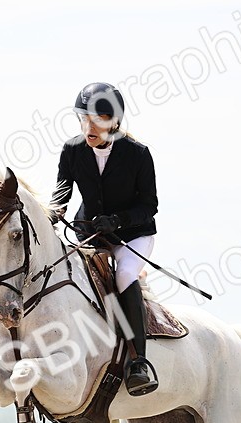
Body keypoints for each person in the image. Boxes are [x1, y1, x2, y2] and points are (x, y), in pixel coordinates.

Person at [50, 81, 160, 396]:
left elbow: (149, 206)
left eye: (96, 120)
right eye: (83, 119)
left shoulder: (137, 153)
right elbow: (62, 190)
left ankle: (139, 361)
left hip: (132, 235)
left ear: (114, 121)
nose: (88, 126)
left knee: (123, 274)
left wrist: (118, 220)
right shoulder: (73, 150)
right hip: (90, 232)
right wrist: (53, 212)